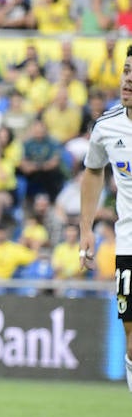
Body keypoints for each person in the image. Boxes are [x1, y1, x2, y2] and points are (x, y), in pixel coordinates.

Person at [81, 51, 132, 389]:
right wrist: (85, 227)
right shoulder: (107, 126)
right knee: (131, 336)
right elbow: (93, 170)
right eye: (126, 71)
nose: (127, 79)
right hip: (129, 242)